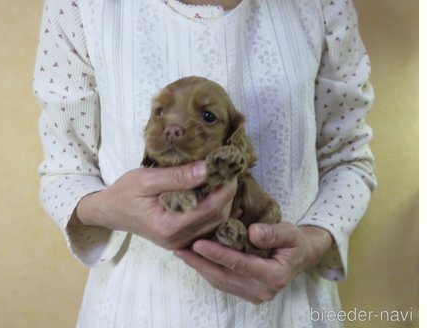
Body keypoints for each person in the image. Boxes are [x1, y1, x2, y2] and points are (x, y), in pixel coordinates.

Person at [33, 0, 376, 326]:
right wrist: (108, 208)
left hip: (290, 308)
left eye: (209, 116)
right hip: (138, 309)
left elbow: (348, 159)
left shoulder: (324, 5)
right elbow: (65, 173)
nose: (174, 127)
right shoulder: (78, 5)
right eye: (161, 112)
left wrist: (313, 242)